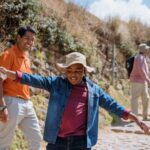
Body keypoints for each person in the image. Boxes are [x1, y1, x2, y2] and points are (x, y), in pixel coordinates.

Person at [0, 52, 149, 150]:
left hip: (81, 143)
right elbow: (34, 79)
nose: (73, 75)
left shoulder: (94, 90)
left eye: (77, 71)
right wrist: (10, 73)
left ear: (84, 71)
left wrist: (136, 119)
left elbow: (113, 105)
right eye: (69, 71)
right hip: (57, 141)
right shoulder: (56, 83)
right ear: (65, 72)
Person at [0, 26, 42, 150]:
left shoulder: (27, 58)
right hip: (11, 102)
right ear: (18, 37)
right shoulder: (8, 55)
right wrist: (2, 106)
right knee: (3, 142)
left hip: (27, 103)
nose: (30, 42)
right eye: (27, 38)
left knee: (36, 138)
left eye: (32, 39)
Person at [130, 43, 150, 120]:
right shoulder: (139, 58)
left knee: (146, 98)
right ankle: (134, 117)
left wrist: (146, 79)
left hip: (142, 81)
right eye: (147, 49)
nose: (148, 51)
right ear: (144, 50)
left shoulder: (143, 58)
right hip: (137, 81)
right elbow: (141, 70)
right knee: (135, 98)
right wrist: (148, 79)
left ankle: (145, 116)